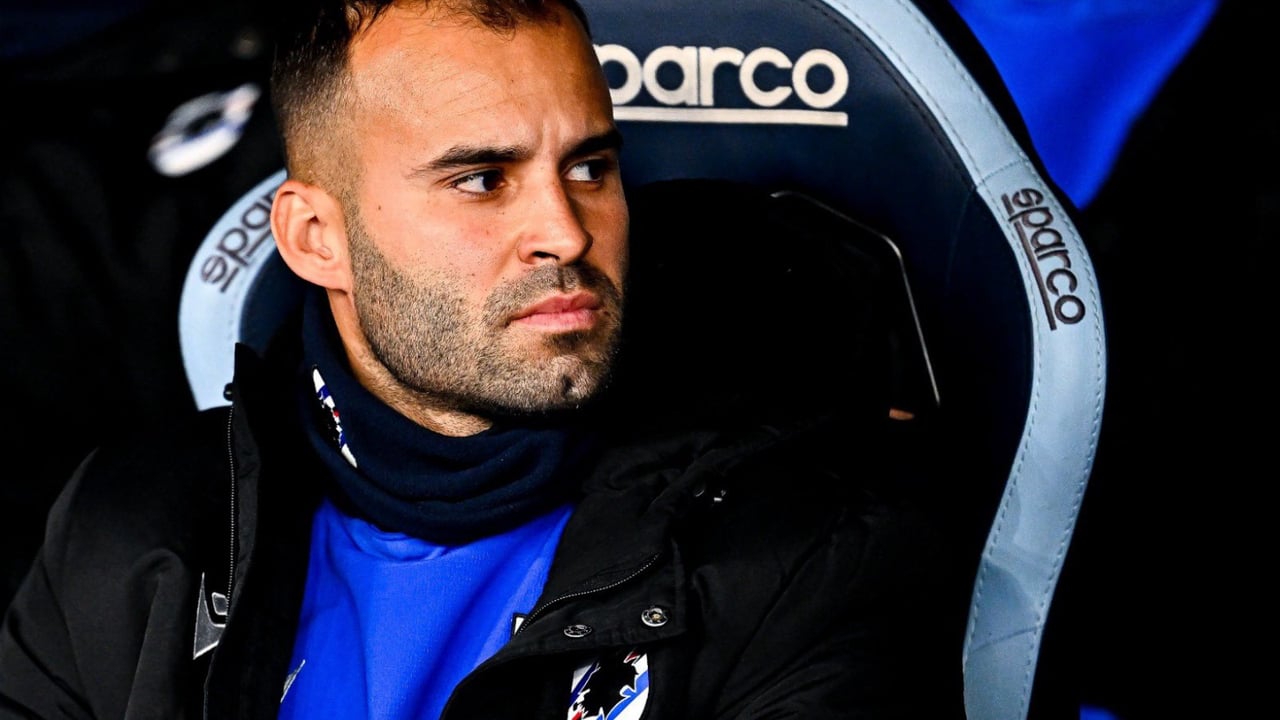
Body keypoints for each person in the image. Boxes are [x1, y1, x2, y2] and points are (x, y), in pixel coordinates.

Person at [0, 1, 964, 717]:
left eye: (589, 167)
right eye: (481, 179)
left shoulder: (807, 560)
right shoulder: (129, 531)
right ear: (316, 239)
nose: (566, 231)